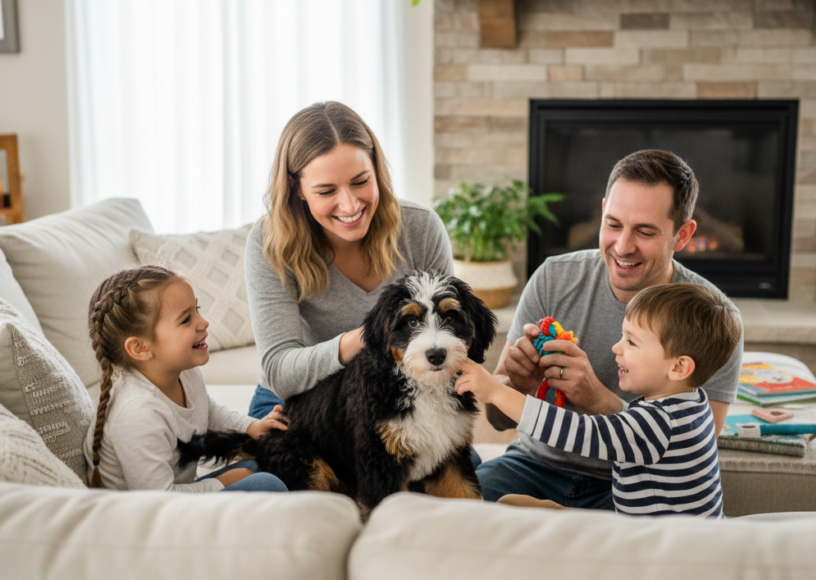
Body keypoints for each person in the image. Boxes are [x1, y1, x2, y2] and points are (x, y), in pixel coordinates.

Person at [477, 149, 744, 507]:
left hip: (632, 485)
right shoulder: (553, 278)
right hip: (534, 463)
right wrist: (522, 387)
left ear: (682, 235)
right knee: (450, 513)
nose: (622, 246)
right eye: (614, 224)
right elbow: (496, 421)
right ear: (602, 212)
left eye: (645, 231)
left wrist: (595, 398)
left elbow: (685, 453)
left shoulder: (709, 320)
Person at [457, 283, 741, 517]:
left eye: (631, 341)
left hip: (658, 550)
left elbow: (573, 432)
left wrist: (494, 389)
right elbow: (637, 428)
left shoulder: (659, 424)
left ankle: (560, 519)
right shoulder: (691, 403)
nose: (616, 347)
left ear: (679, 367)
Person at [245, 101, 454, 419]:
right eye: (327, 191)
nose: (349, 205)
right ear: (296, 187)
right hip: (300, 400)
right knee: (267, 470)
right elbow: (279, 371)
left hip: (395, 393)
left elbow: (449, 331)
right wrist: (365, 337)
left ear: (376, 169)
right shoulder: (269, 242)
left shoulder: (421, 228)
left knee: (466, 468)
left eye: (360, 182)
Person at [83, 265, 288, 492]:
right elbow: (160, 499)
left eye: (197, 309)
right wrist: (223, 482)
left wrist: (253, 426)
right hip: (150, 516)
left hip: (178, 495)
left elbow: (208, 410)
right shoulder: (138, 413)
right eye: (186, 319)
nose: (204, 322)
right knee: (266, 483)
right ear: (141, 347)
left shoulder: (185, 371)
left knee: (266, 462)